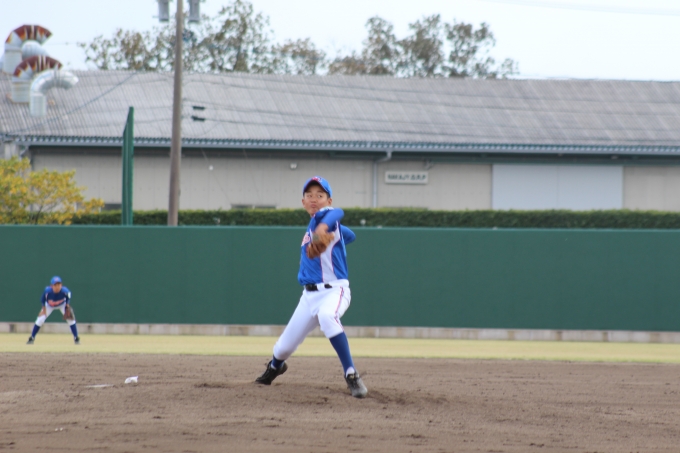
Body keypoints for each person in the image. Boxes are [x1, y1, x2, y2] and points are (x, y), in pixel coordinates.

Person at [255, 176, 368, 398]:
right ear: (303, 202)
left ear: (328, 200)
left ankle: (351, 374)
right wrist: (335, 236)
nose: (314, 198)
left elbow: (338, 213)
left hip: (334, 290)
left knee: (328, 316)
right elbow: (351, 236)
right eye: (309, 195)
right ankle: (275, 367)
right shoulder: (311, 230)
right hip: (308, 297)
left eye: (320, 195)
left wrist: (327, 227)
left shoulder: (326, 217)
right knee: (283, 348)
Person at [26, 276, 80, 345]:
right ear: (51, 286)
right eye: (55, 285)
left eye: (59, 284)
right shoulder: (47, 291)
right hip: (49, 305)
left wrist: (67, 305)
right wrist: (44, 310)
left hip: (62, 305)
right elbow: (42, 300)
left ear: (61, 285)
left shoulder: (65, 291)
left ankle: (76, 338)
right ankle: (32, 338)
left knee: (71, 320)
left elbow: (68, 297)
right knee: (40, 319)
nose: (57, 287)